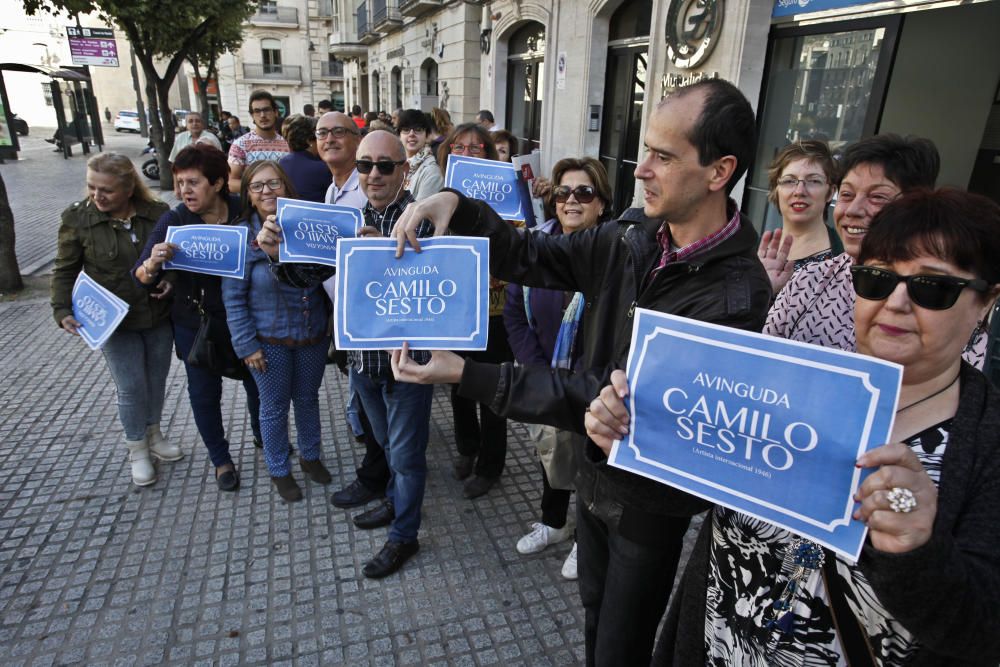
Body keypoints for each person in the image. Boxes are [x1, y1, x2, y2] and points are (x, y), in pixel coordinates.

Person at [390, 79, 770, 665]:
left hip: (650, 501)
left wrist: (470, 376)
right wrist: (458, 206)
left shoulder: (736, 294)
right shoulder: (633, 236)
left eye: (663, 157)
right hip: (595, 475)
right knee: (594, 608)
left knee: (621, 642)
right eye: (646, 150)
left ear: (719, 171)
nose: (642, 170)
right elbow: (533, 256)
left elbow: (612, 397)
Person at [643, 188, 1000, 665]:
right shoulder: (786, 384)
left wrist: (916, 549)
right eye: (875, 279)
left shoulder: (986, 441)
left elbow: (983, 630)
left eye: (931, 287)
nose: (895, 302)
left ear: (986, 302)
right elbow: (696, 503)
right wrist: (637, 438)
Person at [257, 131, 434, 577]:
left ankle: (404, 537)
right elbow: (306, 278)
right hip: (362, 362)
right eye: (365, 165)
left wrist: (385, 256)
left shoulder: (423, 218)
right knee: (389, 447)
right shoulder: (347, 218)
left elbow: (440, 287)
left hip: (408, 364)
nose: (373, 174)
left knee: (408, 457)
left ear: (404, 169)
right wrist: (278, 255)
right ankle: (395, 504)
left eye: (385, 165)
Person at [759, 135, 990, 362]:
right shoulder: (807, 281)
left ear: (916, 205)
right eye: (847, 194)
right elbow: (758, 361)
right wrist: (758, 293)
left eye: (877, 197)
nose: (853, 210)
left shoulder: (942, 298)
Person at [504, 157, 612, 580]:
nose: (572, 200)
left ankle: (586, 540)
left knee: (589, 462)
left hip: (592, 386)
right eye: (564, 192)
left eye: (584, 193)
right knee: (551, 452)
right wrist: (536, 372)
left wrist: (577, 382)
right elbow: (515, 314)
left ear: (601, 204)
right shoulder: (535, 249)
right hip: (545, 378)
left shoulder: (614, 256)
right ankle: (554, 523)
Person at [133, 144, 262, 492]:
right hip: (197, 325)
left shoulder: (244, 212)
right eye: (179, 183)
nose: (183, 191)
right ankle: (221, 460)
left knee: (258, 385)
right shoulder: (174, 220)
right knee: (204, 394)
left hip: (245, 320)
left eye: (192, 183)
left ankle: (263, 435)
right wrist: (153, 264)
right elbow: (141, 275)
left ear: (218, 183)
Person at [50, 153, 179, 487]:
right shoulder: (79, 219)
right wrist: (61, 310)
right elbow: (65, 269)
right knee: (131, 386)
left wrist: (171, 280)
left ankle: (155, 435)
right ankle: (137, 448)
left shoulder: (157, 215)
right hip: (113, 321)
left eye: (105, 189)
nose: (97, 195)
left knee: (156, 380)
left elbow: (176, 259)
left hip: (156, 316)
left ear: (127, 187)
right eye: (92, 187)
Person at [221, 161, 331, 502]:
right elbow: (233, 299)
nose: (267, 192)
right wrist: (246, 345)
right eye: (257, 186)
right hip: (268, 341)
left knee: (308, 399)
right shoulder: (242, 237)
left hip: (312, 333)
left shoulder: (307, 226)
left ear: (286, 187)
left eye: (274, 184)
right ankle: (279, 469)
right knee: (273, 407)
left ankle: (310, 456)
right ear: (248, 195)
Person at [437, 124, 514, 499]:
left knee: (494, 391)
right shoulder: (441, 196)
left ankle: (491, 464)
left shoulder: (506, 196)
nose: (468, 153)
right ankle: (468, 448)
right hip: (456, 311)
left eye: (477, 147)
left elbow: (523, 247)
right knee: (459, 387)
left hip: (496, 315)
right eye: (460, 147)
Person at [757, 140, 841, 294]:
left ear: (830, 192)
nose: (799, 191)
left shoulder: (845, 260)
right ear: (777, 190)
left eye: (814, 181)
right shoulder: (752, 252)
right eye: (789, 181)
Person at [228, 90, 290, 192]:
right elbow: (231, 183)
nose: (262, 115)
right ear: (252, 115)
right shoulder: (240, 145)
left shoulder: (287, 144)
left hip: (281, 205)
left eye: (266, 110)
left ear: (275, 112)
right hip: (252, 206)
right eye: (257, 111)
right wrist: (259, 190)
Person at [278, 114, 331, 203]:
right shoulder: (322, 168)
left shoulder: (283, 162)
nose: (324, 141)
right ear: (309, 140)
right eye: (319, 136)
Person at [398, 109, 443, 201]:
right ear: (399, 135)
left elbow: (420, 213)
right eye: (406, 130)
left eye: (418, 130)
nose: (411, 134)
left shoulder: (432, 172)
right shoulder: (395, 164)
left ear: (427, 136)